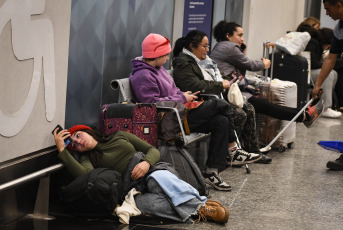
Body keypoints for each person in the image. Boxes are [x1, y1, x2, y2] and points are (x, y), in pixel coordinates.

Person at [130, 33, 261, 191]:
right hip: (170, 119)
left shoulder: (158, 69)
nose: (167, 58)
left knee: (222, 121)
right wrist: (182, 98)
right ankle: (233, 150)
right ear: (156, 54)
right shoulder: (143, 75)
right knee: (220, 104)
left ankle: (212, 171)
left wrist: (183, 97)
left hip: (179, 112)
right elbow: (151, 104)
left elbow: (173, 91)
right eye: (165, 54)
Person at [52, 125, 229, 224]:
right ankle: (199, 206)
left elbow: (152, 150)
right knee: (143, 205)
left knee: (156, 181)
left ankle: (201, 209)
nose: (78, 142)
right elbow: (85, 176)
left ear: (87, 130)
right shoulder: (88, 158)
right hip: (131, 189)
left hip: (152, 169)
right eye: (74, 144)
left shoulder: (119, 136)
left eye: (78, 135)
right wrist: (63, 150)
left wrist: (146, 163)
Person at [171, 30, 271, 164]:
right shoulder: (183, 63)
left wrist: (227, 81)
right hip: (198, 103)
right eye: (204, 46)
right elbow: (193, 85)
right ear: (192, 46)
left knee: (248, 107)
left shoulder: (202, 61)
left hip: (210, 99)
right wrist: (220, 85)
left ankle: (252, 151)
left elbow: (217, 75)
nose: (207, 50)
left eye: (208, 46)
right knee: (237, 114)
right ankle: (230, 154)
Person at [209, 20, 324, 128]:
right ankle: (305, 116)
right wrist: (264, 64)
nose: (242, 39)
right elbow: (251, 65)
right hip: (229, 93)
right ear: (228, 35)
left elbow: (241, 68)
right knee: (268, 106)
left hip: (229, 90)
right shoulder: (230, 47)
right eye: (239, 35)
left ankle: (304, 114)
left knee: (267, 105)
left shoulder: (221, 46)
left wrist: (242, 51)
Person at [312, 0, 343, 171]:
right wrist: (317, 84)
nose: (326, 13)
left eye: (328, 9)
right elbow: (331, 58)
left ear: (339, 5)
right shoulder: (339, 29)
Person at [296, 22, 342, 118]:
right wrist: (324, 66)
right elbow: (311, 63)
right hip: (305, 72)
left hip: (308, 71)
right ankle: (325, 108)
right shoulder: (313, 42)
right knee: (329, 74)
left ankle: (324, 103)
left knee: (334, 73)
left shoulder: (316, 42)